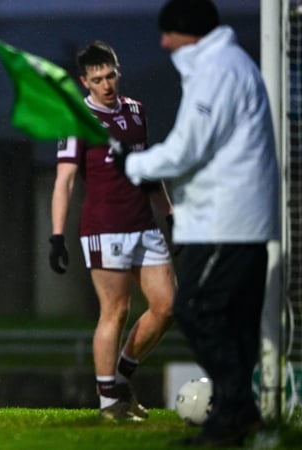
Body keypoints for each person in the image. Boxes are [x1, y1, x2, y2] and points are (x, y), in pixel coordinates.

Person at [115, 0, 279, 445]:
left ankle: (234, 409)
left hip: (224, 219)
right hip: (243, 217)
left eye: (168, 33)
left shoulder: (215, 71)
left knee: (195, 309)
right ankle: (239, 418)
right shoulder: (232, 63)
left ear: (188, 33)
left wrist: (134, 162)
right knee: (237, 320)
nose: (163, 43)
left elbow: (190, 146)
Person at [49, 41, 176, 422]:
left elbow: (147, 170)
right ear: (84, 81)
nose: (107, 84)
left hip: (145, 225)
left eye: (111, 75)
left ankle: (121, 379)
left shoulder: (136, 111)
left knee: (166, 306)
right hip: (105, 229)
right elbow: (65, 181)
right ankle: (109, 403)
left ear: (118, 71)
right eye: (98, 79)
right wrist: (57, 235)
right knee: (115, 311)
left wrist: (169, 214)